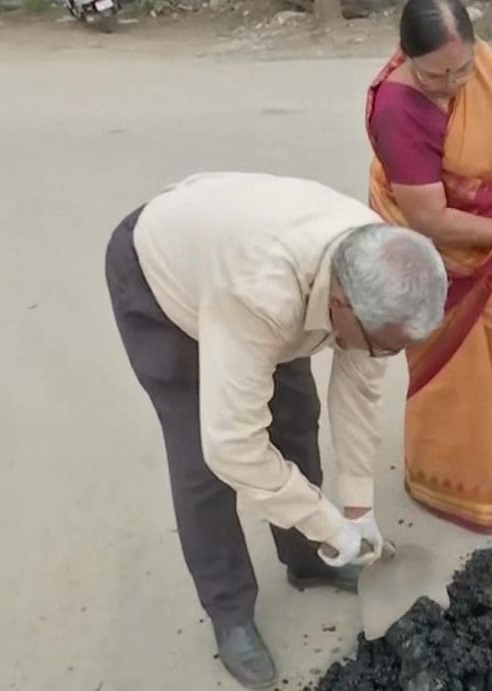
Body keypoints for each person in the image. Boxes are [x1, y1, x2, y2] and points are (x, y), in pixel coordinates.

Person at [104, 172, 447, 689]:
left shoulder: (381, 267)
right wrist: (327, 521)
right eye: (382, 345)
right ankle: (230, 611)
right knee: (204, 460)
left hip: (246, 272)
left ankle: (308, 558)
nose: (386, 357)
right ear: (342, 308)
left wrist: (357, 509)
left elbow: (358, 392)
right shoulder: (261, 293)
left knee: (294, 415)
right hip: (163, 285)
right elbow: (232, 445)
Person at [365, 0, 492, 534]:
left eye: (462, 69)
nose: (452, 82)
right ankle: (448, 482)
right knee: (458, 374)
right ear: (407, 57)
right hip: (441, 255)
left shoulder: (484, 64)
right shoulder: (397, 108)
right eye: (436, 74)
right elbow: (429, 218)